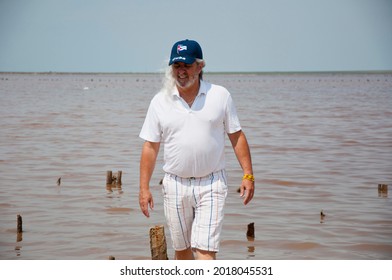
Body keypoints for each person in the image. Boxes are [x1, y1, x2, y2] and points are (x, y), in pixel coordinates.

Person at [139, 39, 254, 260]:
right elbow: (150, 147)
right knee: (182, 251)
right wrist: (144, 189)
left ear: (200, 66)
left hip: (212, 184)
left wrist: (248, 174)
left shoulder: (220, 95)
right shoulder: (159, 101)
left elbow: (236, 135)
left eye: (187, 66)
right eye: (176, 66)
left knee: (205, 252)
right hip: (174, 185)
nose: (181, 72)